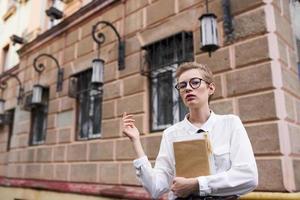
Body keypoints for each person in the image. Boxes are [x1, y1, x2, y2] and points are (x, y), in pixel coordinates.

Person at [122, 62, 258, 200]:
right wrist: (135, 141)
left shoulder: (230, 124)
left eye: (195, 82)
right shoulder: (171, 134)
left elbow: (248, 177)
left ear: (210, 88)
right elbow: (156, 188)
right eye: (182, 85)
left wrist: (196, 184)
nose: (188, 88)